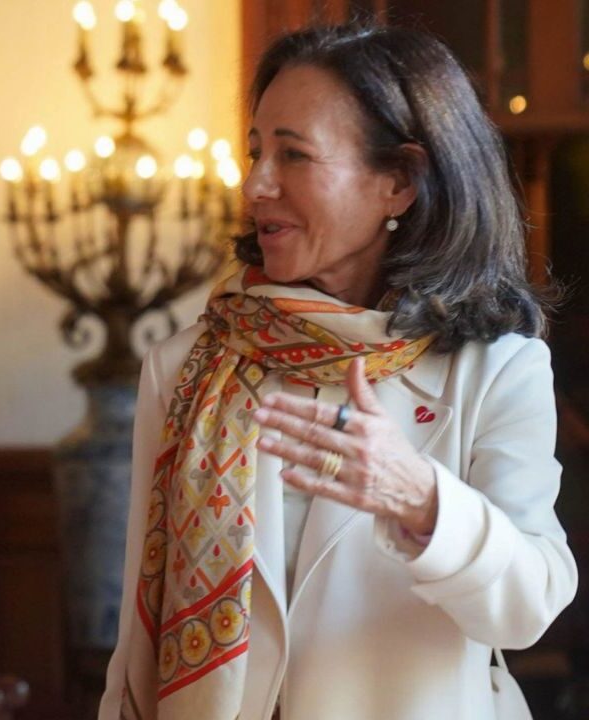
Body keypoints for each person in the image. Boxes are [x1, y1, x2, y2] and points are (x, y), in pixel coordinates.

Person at [99, 23, 578, 720]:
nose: (257, 183)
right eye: (257, 151)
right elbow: (136, 636)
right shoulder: (184, 364)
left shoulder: (497, 365)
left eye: (293, 156)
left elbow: (529, 605)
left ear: (400, 183)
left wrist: (421, 500)